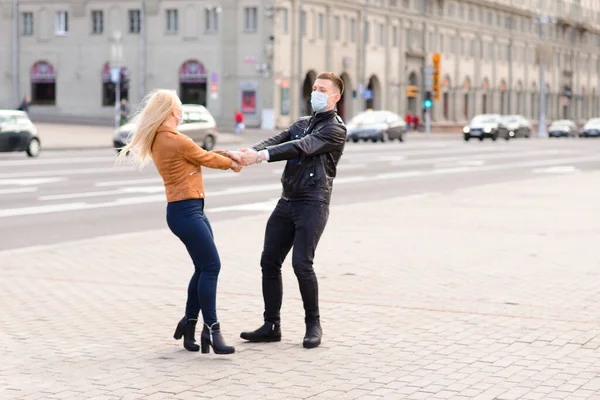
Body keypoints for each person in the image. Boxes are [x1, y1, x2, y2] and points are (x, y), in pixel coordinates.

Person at [117, 89, 242, 355]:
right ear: (172, 111)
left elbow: (198, 153)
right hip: (187, 212)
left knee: (202, 268)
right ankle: (212, 329)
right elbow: (206, 158)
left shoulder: (163, 139)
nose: (182, 111)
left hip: (187, 210)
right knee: (212, 266)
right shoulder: (173, 139)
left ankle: (190, 325)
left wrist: (229, 154)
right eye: (180, 107)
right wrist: (232, 163)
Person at [230, 72, 347, 349]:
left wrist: (258, 157)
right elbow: (275, 140)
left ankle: (313, 324)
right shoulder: (302, 123)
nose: (316, 93)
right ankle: (271, 325)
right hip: (287, 201)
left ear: (335, 97)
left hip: (313, 202)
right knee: (269, 261)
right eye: (315, 88)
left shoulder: (334, 130)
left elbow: (301, 147)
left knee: (301, 264)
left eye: (322, 89)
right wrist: (245, 153)